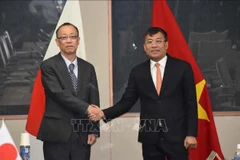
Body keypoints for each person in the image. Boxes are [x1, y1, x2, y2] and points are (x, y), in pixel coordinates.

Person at [89, 27, 198, 160]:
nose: (154, 45)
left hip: (177, 136)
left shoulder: (182, 68)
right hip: (150, 137)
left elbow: (191, 103)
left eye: (158, 41)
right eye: (150, 41)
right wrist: (103, 113)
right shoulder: (138, 72)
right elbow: (126, 102)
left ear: (166, 44)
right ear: (144, 47)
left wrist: (191, 133)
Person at [37, 22, 100, 160]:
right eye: (64, 37)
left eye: (73, 36)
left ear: (78, 41)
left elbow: (94, 99)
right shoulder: (48, 66)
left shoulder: (88, 67)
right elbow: (58, 93)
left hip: (82, 134)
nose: (69, 40)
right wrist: (87, 108)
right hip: (56, 133)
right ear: (57, 42)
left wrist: (93, 129)